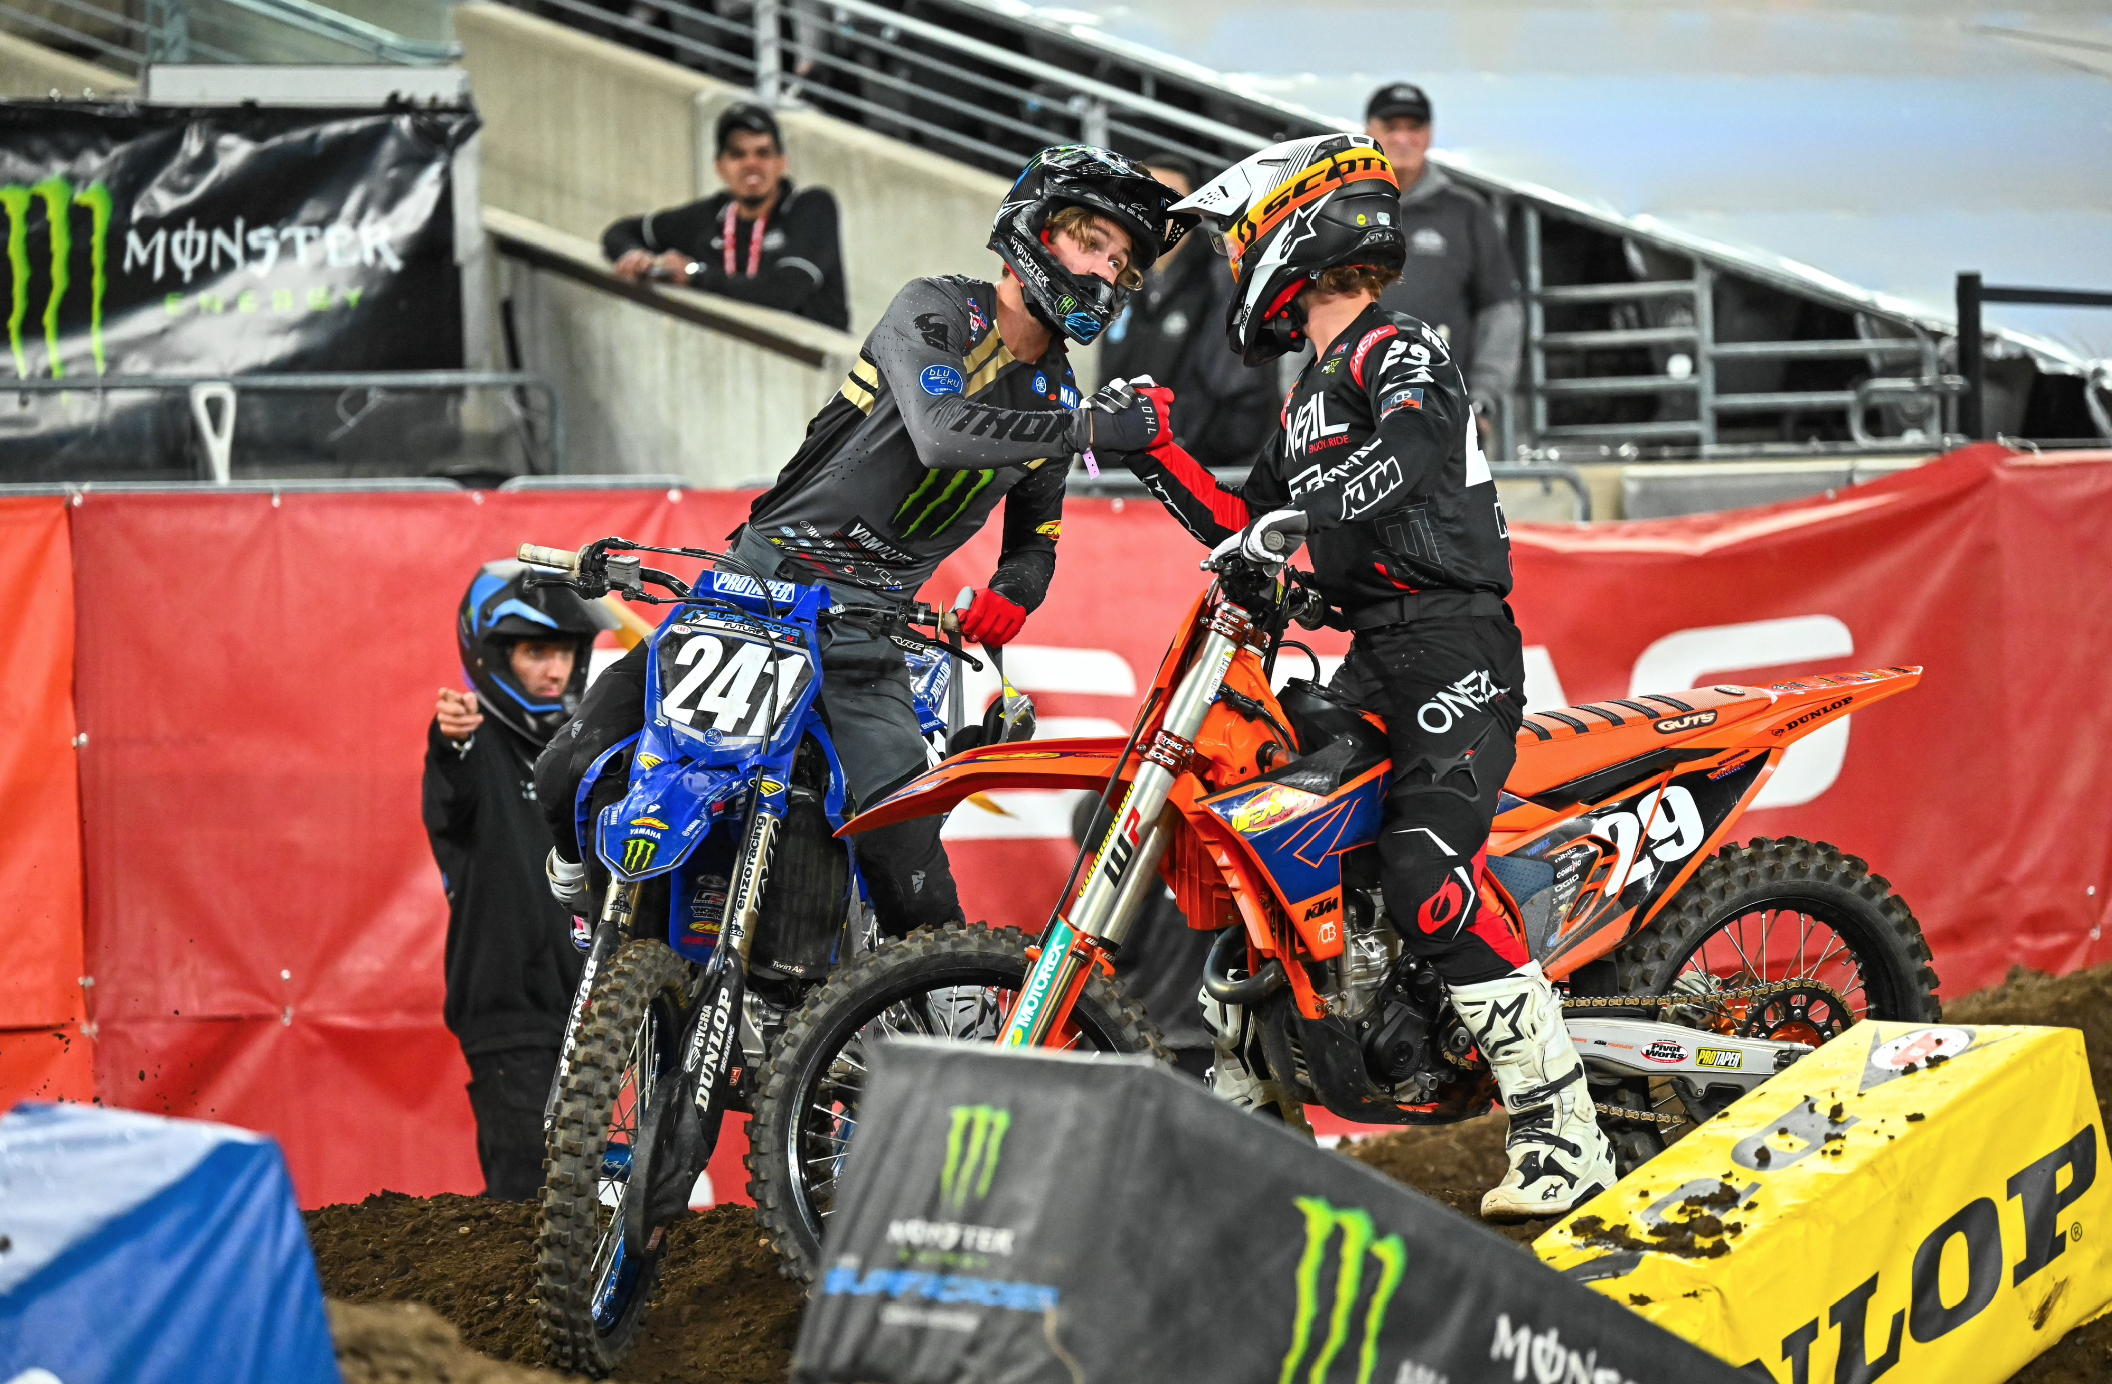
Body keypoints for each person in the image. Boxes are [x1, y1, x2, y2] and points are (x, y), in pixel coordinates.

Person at [1095, 133, 1616, 1222]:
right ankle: (1256, 1122)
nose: (1240, 264)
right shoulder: (1303, 400)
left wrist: (1305, 516)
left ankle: (1565, 1132)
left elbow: (1416, 452)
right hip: (1376, 656)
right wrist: (1155, 450)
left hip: (1457, 649)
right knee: (1257, 845)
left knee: (1425, 868)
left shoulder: (1400, 347)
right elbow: (1247, 523)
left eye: (1248, 241)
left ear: (1297, 235)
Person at [543, 145, 1189, 942]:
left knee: (910, 867)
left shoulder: (1058, 393)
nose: (1106, 275)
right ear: (1037, 233)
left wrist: (1011, 597)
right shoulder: (938, 309)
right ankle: (582, 891)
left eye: (1123, 265)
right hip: (757, 586)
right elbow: (942, 432)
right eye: (1094, 244)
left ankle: (949, 1034)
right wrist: (1097, 428)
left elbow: (1035, 543)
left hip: (870, 630)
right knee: (570, 764)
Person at [425, 562, 617, 1200]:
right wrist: (449, 739)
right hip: (512, 1020)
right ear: (491, 655)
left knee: (584, 1200)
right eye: (536, 651)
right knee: (525, 1198)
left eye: (563, 652)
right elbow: (448, 791)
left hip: (588, 1014)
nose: (555, 670)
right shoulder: (475, 748)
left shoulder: (586, 757)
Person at [1364, 82, 1523, 449]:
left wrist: (1484, 399)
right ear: (1368, 133)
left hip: (1444, 417)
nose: (1403, 138)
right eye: (1391, 127)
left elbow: (1501, 311)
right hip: (1354, 414)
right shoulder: (1339, 210)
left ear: (1430, 134)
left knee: (1447, 508)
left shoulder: (1465, 211)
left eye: (1414, 127)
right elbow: (1308, 305)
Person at [1100, 151, 1278, 470]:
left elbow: (1243, 401)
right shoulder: (1114, 277)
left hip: (1192, 478)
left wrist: (1180, 463)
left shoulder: (1224, 282)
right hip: (1118, 477)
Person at [602, 103, 850, 331]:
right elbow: (622, 231)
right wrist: (633, 255)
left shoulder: (811, 208)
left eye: (763, 153)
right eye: (737, 154)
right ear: (719, 167)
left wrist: (694, 274)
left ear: (782, 163)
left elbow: (784, 290)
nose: (751, 163)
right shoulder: (711, 215)